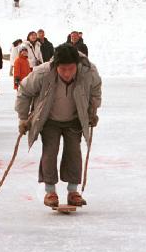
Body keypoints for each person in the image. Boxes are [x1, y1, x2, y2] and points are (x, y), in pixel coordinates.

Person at [15, 44, 102, 209]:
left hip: (74, 119)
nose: (67, 73)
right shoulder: (43, 72)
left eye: (71, 69)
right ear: (56, 66)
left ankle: (73, 191)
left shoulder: (88, 72)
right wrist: (23, 118)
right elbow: (24, 91)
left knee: (74, 153)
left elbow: (96, 89)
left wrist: (92, 111)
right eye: (63, 69)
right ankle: (50, 191)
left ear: (77, 65)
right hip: (50, 120)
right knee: (50, 150)